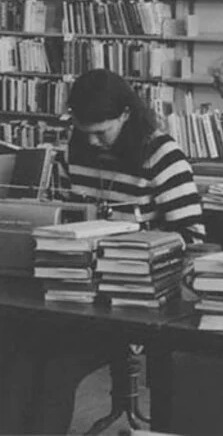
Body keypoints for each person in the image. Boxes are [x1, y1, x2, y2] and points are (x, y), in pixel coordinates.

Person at [0, 69, 205, 434]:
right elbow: (58, 218)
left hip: (127, 303)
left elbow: (192, 238)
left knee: (55, 370)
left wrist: (135, 242)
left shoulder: (162, 155)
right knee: (13, 357)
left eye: (101, 131)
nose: (92, 142)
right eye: (84, 130)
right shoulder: (71, 152)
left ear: (126, 114)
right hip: (68, 293)